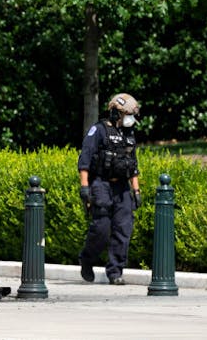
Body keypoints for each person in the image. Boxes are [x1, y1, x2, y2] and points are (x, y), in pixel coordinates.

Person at [77, 93, 143, 285]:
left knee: (123, 228)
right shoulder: (98, 130)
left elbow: (133, 165)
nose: (130, 118)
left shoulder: (129, 134)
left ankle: (115, 272)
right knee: (102, 228)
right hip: (101, 184)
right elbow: (85, 160)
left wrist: (136, 191)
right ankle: (87, 259)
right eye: (126, 114)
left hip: (122, 187)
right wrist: (85, 187)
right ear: (115, 113)